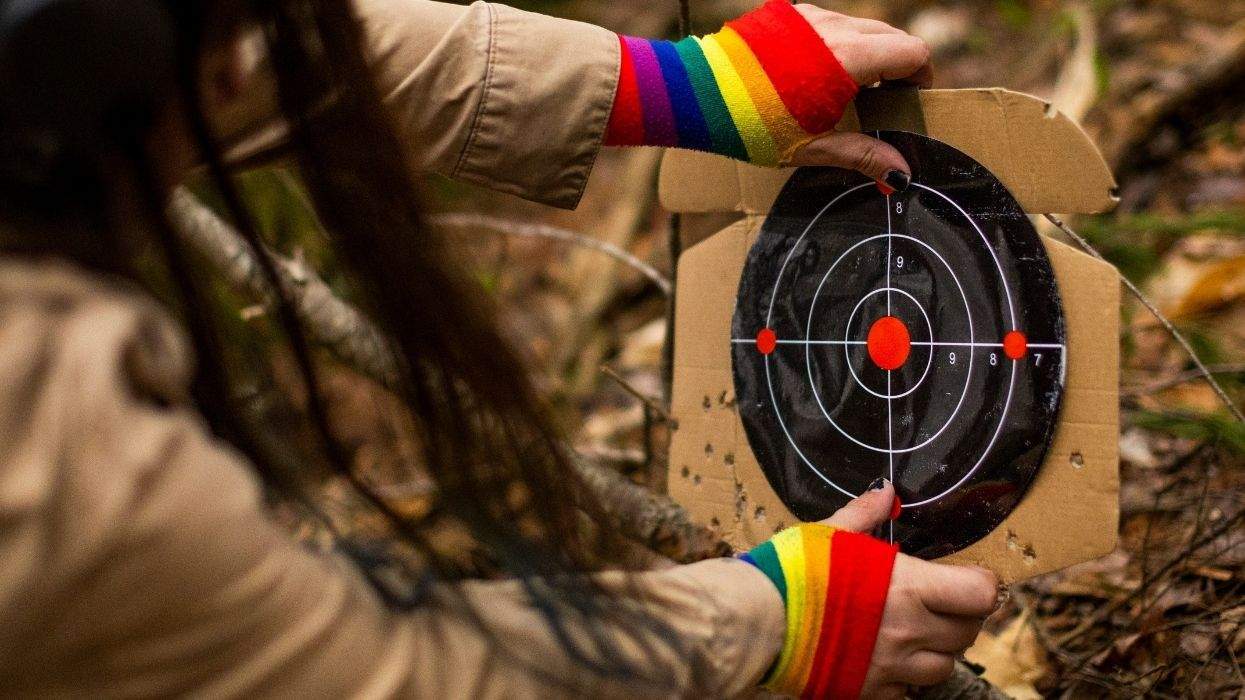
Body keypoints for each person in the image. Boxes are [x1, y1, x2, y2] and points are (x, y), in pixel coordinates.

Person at [0, 0, 999, 697]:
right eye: (209, 37)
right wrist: (773, 619)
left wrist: (685, 85)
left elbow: (270, 60)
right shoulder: (53, 436)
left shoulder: (53, 89)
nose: (232, 72)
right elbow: (379, 678)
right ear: (84, 71)